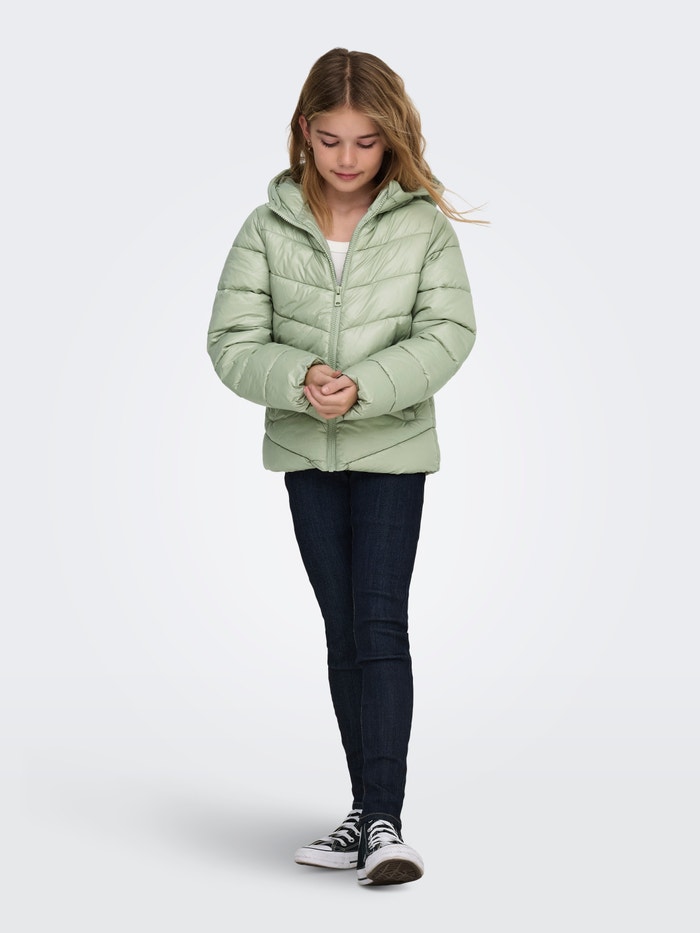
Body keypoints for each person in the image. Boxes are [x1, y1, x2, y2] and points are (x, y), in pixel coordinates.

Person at [206, 47, 480, 886]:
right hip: (307, 453)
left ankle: (386, 822)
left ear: (391, 137)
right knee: (342, 630)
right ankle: (365, 812)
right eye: (331, 140)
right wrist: (301, 378)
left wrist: (364, 387)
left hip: (392, 453)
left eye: (366, 141)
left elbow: (449, 333)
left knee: (378, 622)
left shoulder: (421, 226)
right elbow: (231, 341)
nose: (348, 158)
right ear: (304, 131)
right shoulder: (266, 226)